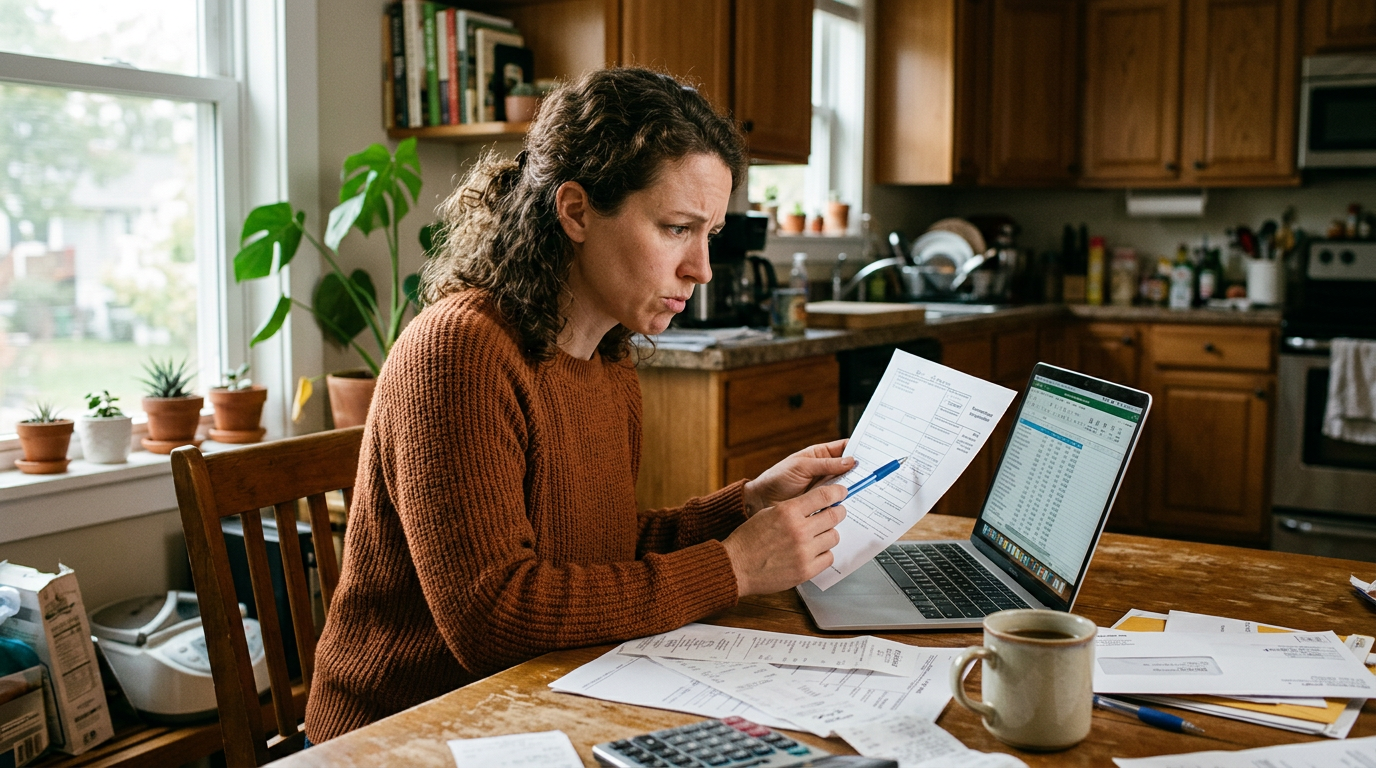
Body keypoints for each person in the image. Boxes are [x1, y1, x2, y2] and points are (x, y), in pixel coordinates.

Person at [305, 67, 853, 743]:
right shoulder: (460, 352)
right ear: (575, 211)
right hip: (402, 736)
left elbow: (596, 554)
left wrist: (744, 507)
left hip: (534, 706)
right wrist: (734, 566)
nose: (702, 269)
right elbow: (495, 617)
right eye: (677, 229)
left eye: (709, 233)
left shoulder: (608, 356)